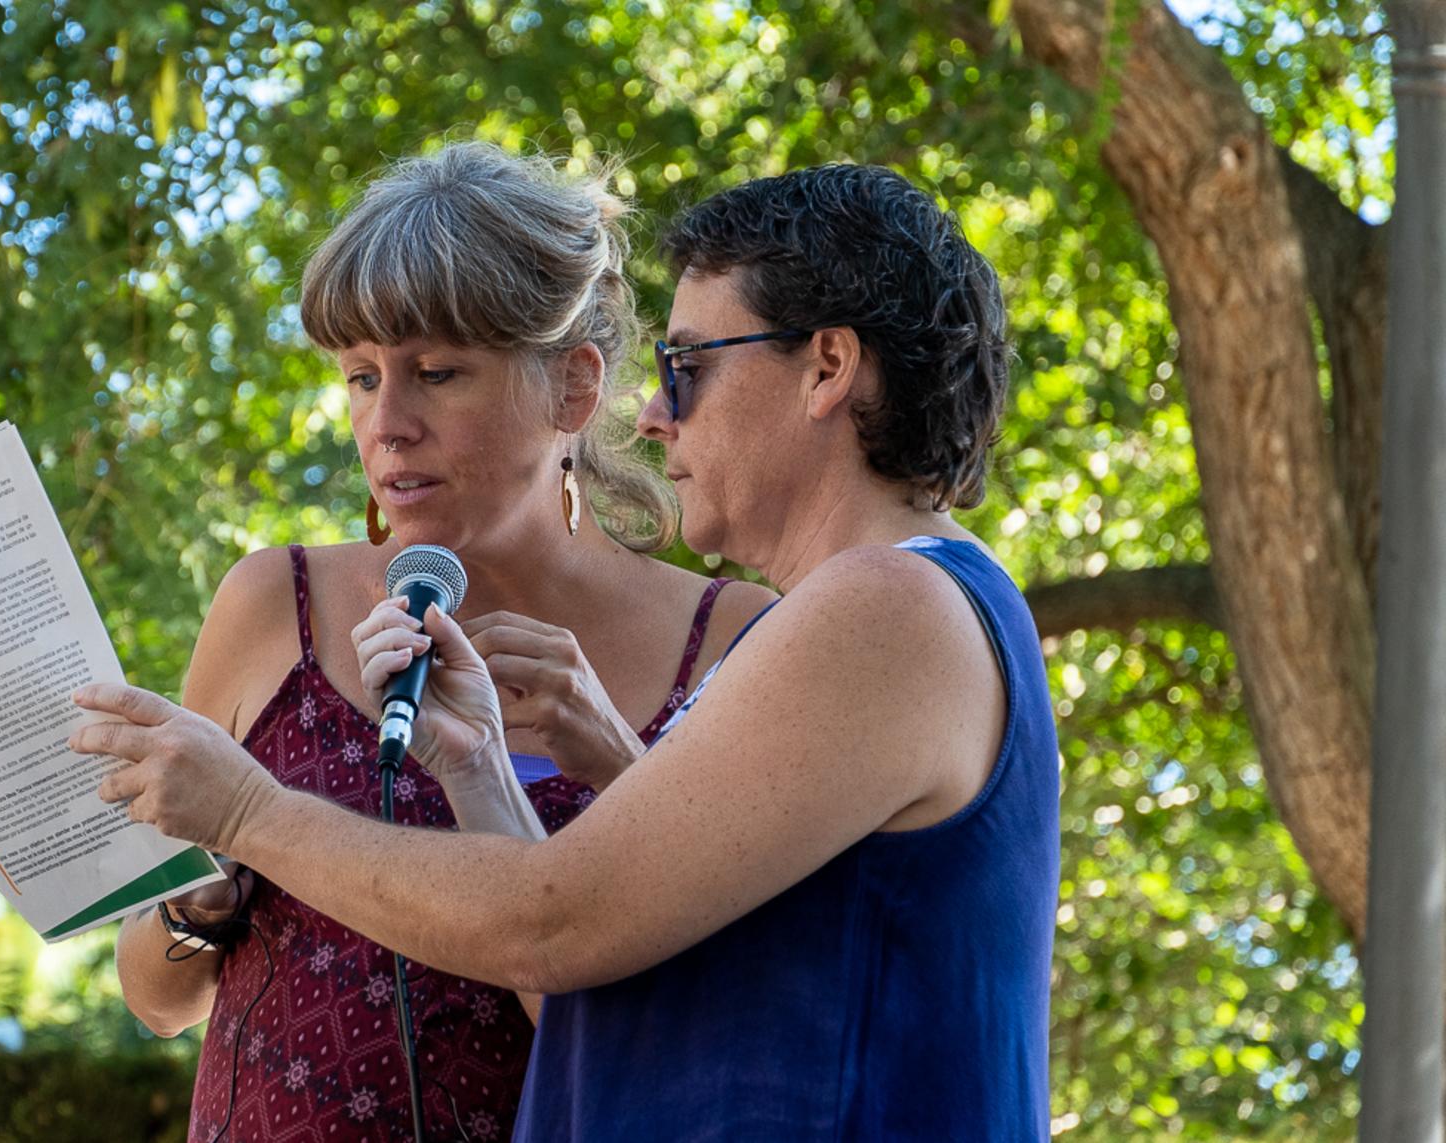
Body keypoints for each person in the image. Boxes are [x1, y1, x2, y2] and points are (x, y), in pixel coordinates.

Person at [78, 162, 1061, 1140]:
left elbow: (555, 925)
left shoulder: (885, 602)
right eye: (360, 377)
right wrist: (474, 766)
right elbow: (648, 980)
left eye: (688, 366)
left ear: (826, 367)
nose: (653, 412)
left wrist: (248, 811)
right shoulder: (894, 603)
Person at [109, 141, 776, 1141]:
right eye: (357, 378)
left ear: (572, 389)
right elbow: (153, 997)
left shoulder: (737, 645)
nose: (386, 425)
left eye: (434, 373)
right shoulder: (268, 603)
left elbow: (697, 1037)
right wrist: (198, 906)